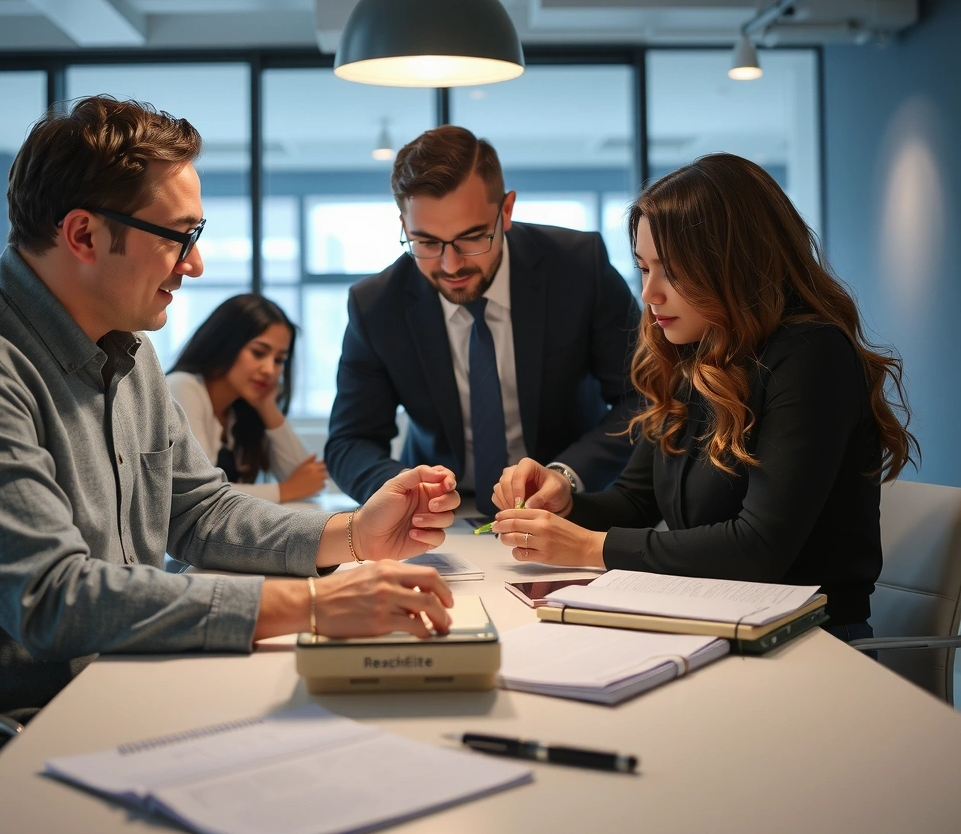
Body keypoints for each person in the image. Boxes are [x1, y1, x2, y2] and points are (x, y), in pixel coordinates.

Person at [0, 97, 458, 802]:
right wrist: (310, 604)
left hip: (126, 691)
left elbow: (199, 509)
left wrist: (352, 535)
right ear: (85, 234)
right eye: (181, 236)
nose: (197, 263)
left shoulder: (131, 351)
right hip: (10, 740)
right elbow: (53, 599)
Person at [491, 153, 918, 638]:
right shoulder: (696, 350)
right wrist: (564, 502)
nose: (650, 292)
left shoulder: (811, 354)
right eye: (643, 268)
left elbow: (759, 546)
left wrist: (590, 547)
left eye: (670, 271)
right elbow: (636, 500)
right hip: (717, 623)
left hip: (814, 644)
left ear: (736, 264)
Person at [325, 125, 641, 515]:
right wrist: (405, 494)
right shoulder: (375, 305)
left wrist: (566, 474)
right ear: (404, 226)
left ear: (506, 211)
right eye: (426, 242)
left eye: (472, 238)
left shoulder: (577, 267)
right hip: (443, 519)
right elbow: (350, 441)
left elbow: (643, 397)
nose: (450, 265)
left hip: (568, 508)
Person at [167, 294, 328, 503]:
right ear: (225, 343)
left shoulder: (240, 411)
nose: (270, 370)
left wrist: (267, 406)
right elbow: (198, 492)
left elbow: (309, 480)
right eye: (259, 353)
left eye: (279, 360)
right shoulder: (182, 386)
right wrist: (285, 490)